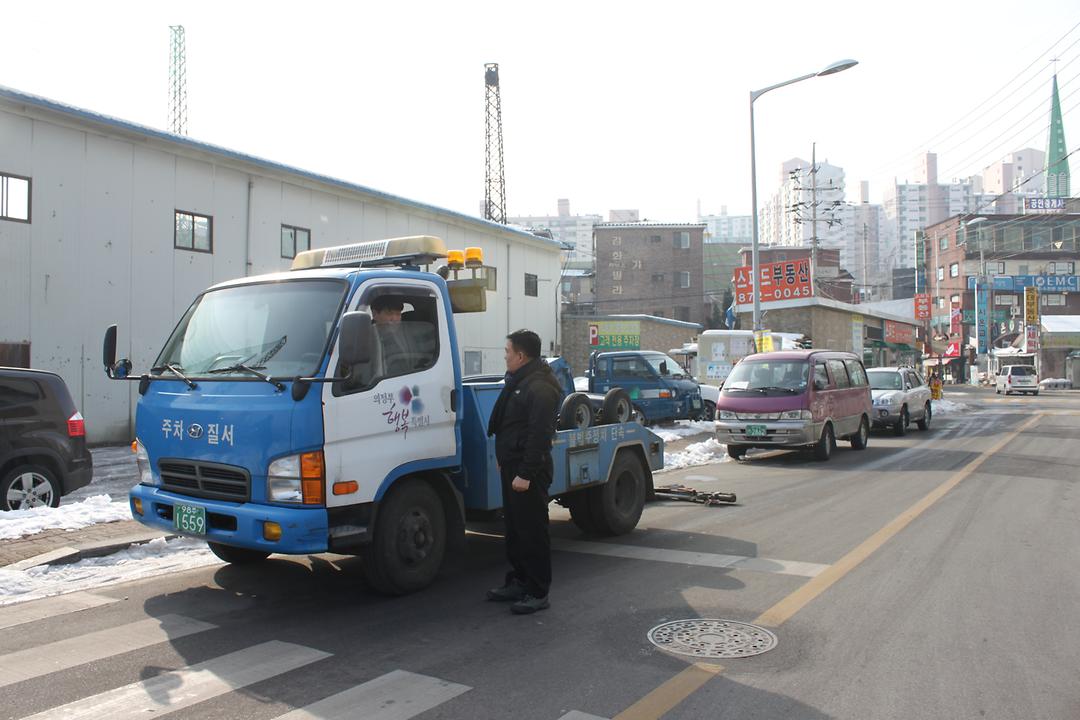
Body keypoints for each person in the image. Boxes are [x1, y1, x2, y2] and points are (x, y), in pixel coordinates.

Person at [485, 329, 563, 615]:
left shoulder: (540, 386)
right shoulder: (521, 380)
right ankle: (519, 581)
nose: (504, 356)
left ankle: (537, 591)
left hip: (529, 470)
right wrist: (504, 459)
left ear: (521, 355)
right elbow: (511, 424)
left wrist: (527, 473)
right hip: (514, 465)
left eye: (507, 351)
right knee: (516, 530)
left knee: (532, 532)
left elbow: (539, 435)